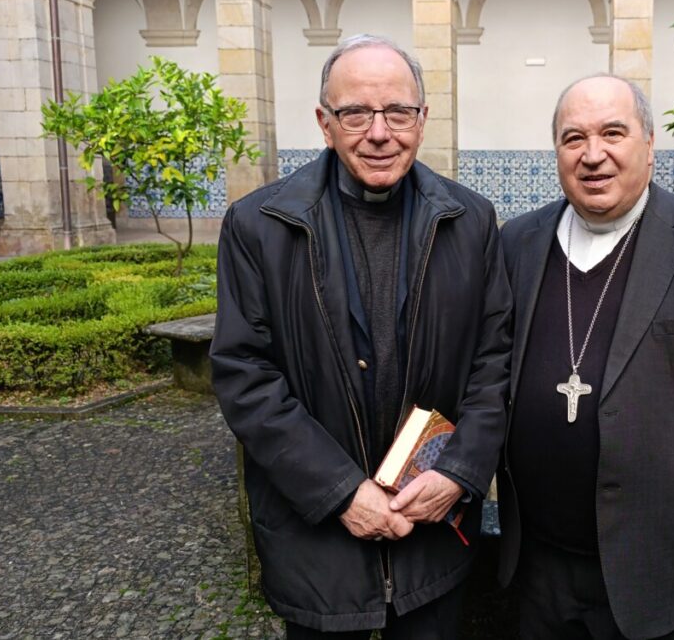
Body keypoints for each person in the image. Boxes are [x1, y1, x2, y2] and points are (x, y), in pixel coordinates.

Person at [210, 34, 511, 639]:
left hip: (433, 531)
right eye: (355, 113)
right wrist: (342, 492)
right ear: (325, 123)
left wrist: (458, 471)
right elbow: (246, 374)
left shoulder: (471, 220)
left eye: (397, 111)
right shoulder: (258, 225)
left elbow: (493, 361)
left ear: (422, 121)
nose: (379, 131)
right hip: (317, 541)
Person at [497, 74, 674, 639]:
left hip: (657, 558)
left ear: (649, 145)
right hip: (537, 560)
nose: (592, 155)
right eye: (573, 138)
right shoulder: (519, 243)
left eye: (613, 133)